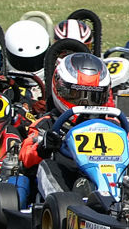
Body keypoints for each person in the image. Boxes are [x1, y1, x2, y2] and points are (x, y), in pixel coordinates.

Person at [17, 52, 113, 200]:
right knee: (47, 165)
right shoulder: (47, 124)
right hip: (65, 183)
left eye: (94, 97)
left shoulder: (113, 125)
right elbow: (25, 156)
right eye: (77, 95)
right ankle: (66, 207)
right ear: (60, 89)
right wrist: (43, 147)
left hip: (107, 181)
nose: (85, 104)